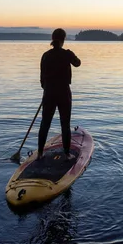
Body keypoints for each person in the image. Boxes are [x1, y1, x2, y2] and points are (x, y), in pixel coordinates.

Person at [37, 28, 81, 161]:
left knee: (45, 123)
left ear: (52, 38)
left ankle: (39, 153)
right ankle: (67, 154)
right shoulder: (66, 54)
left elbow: (42, 77)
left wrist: (46, 88)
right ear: (64, 39)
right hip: (63, 92)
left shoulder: (45, 55)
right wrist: (71, 54)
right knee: (65, 123)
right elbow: (78, 63)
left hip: (49, 92)